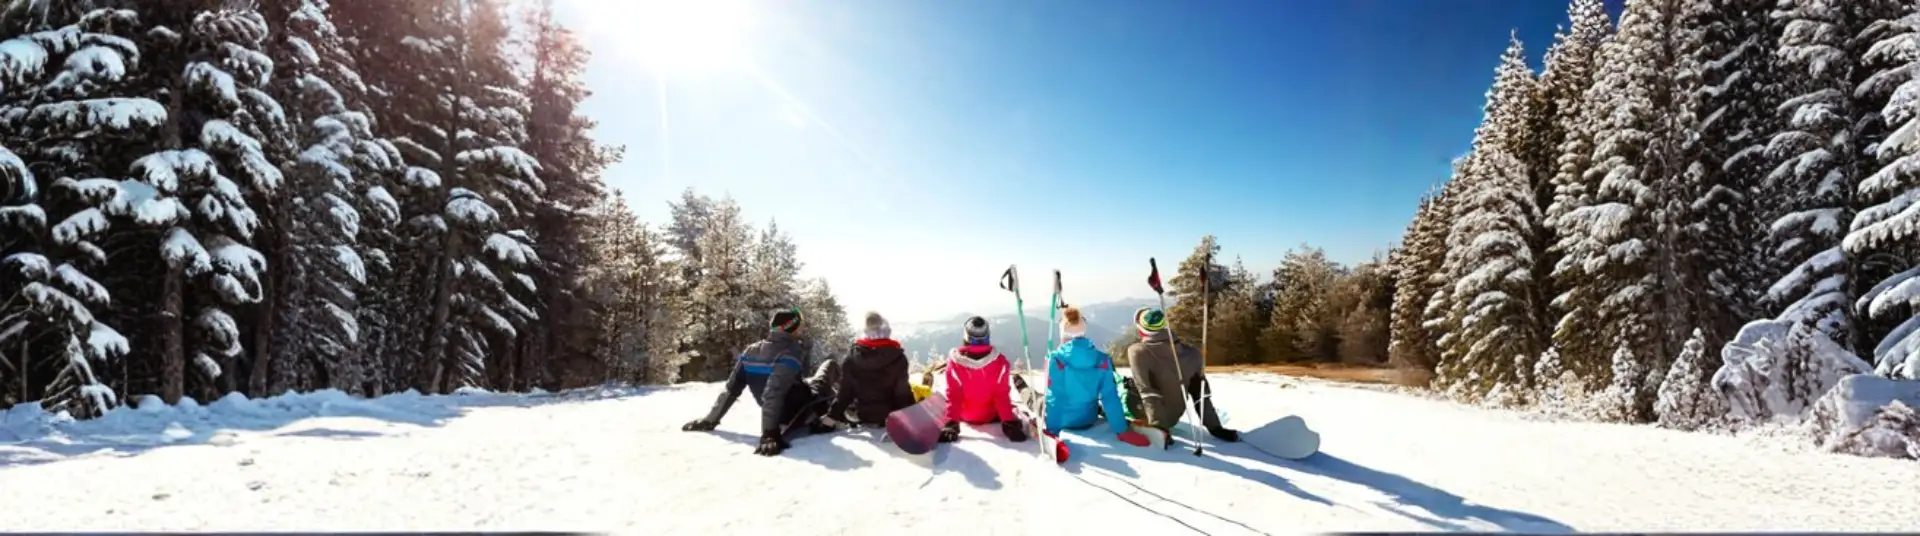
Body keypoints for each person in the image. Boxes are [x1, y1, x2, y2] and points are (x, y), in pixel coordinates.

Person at [681, 307, 831, 456]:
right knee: (829, 366)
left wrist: (710, 421)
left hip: (779, 411)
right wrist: (769, 433)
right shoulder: (790, 352)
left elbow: (731, 389)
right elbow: (773, 393)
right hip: (799, 411)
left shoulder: (750, 351)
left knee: (811, 383)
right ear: (791, 328)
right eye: (800, 326)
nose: (803, 329)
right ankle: (838, 410)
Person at [1124, 307, 1240, 446]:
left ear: (1141, 330)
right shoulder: (1192, 353)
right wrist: (1216, 428)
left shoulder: (1137, 351)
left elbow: (1148, 393)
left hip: (1147, 414)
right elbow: (1201, 395)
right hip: (1173, 417)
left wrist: (1160, 429)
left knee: (1121, 388)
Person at [1043, 307, 1151, 447]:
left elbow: (1054, 397)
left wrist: (1052, 430)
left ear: (1063, 333)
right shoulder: (1102, 360)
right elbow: (1110, 397)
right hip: (1088, 419)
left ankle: (1020, 386)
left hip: (1062, 420)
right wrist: (1122, 431)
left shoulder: (1056, 359)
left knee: (1037, 400)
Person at [818, 311, 917, 429]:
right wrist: (914, 418)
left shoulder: (852, 358)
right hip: (891, 416)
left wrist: (831, 417)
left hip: (864, 415)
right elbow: (902, 394)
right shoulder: (898, 357)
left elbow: (845, 393)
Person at [937, 316, 1028, 443]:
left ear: (966, 336)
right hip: (990, 415)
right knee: (1008, 403)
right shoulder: (1000, 362)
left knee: (948, 400)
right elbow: (1001, 395)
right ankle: (1014, 414)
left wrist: (951, 423)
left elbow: (954, 396)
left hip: (966, 415)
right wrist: (1008, 422)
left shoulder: (954, 363)